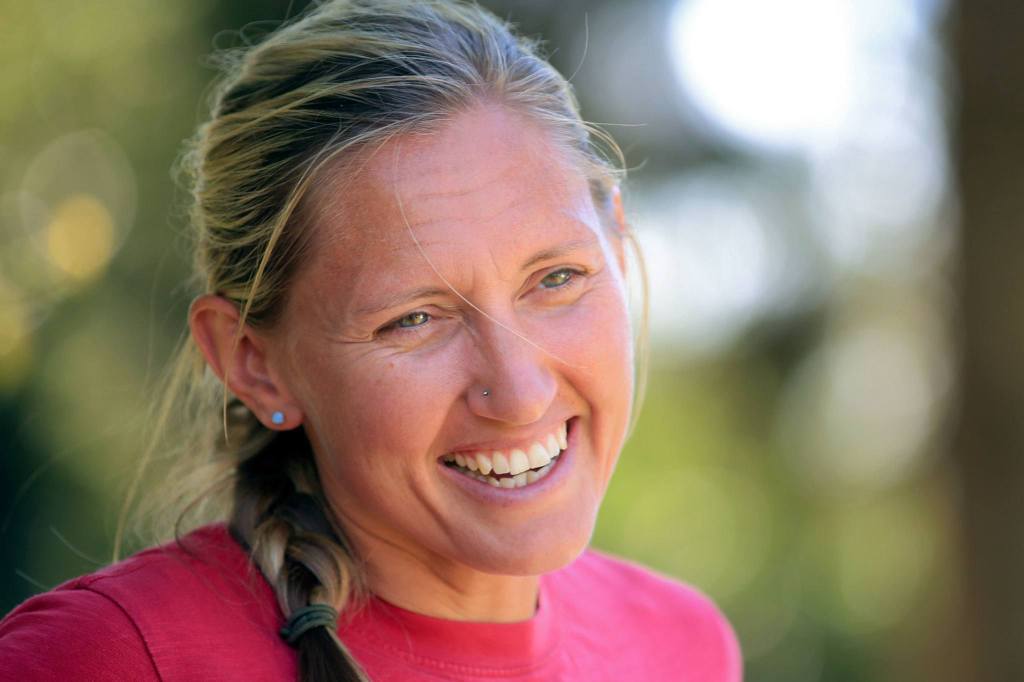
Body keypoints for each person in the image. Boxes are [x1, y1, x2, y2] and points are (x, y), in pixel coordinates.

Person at [0, 1, 742, 680]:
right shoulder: (107, 660)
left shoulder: (683, 646)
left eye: (555, 279)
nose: (519, 393)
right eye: (413, 319)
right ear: (253, 365)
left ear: (617, 238)